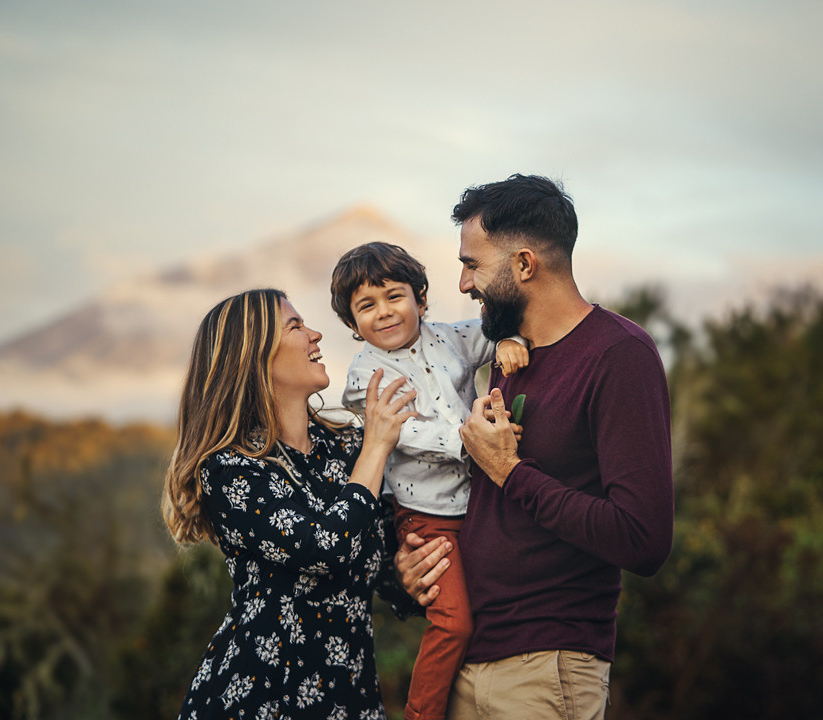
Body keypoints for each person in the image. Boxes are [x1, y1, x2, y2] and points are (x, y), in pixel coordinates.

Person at [395, 174, 675, 720]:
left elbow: (644, 540)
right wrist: (414, 569)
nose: (462, 284)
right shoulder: (511, 360)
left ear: (525, 265)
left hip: (545, 673)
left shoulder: (619, 356)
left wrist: (510, 470)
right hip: (470, 662)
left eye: (472, 264)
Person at [162, 288, 425, 720]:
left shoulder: (346, 450)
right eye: (296, 326)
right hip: (261, 698)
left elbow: (374, 564)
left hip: (351, 699)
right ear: (255, 354)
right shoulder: (231, 468)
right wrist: (377, 447)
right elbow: (324, 549)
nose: (316, 335)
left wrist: (406, 578)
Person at [330, 242, 528, 720]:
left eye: (394, 296)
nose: (384, 313)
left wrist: (506, 340)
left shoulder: (450, 337)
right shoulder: (366, 377)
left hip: (481, 504)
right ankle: (421, 714)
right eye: (366, 306)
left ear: (420, 298)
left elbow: (497, 327)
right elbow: (406, 431)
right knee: (454, 622)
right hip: (428, 520)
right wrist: (473, 441)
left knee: (504, 602)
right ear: (352, 325)